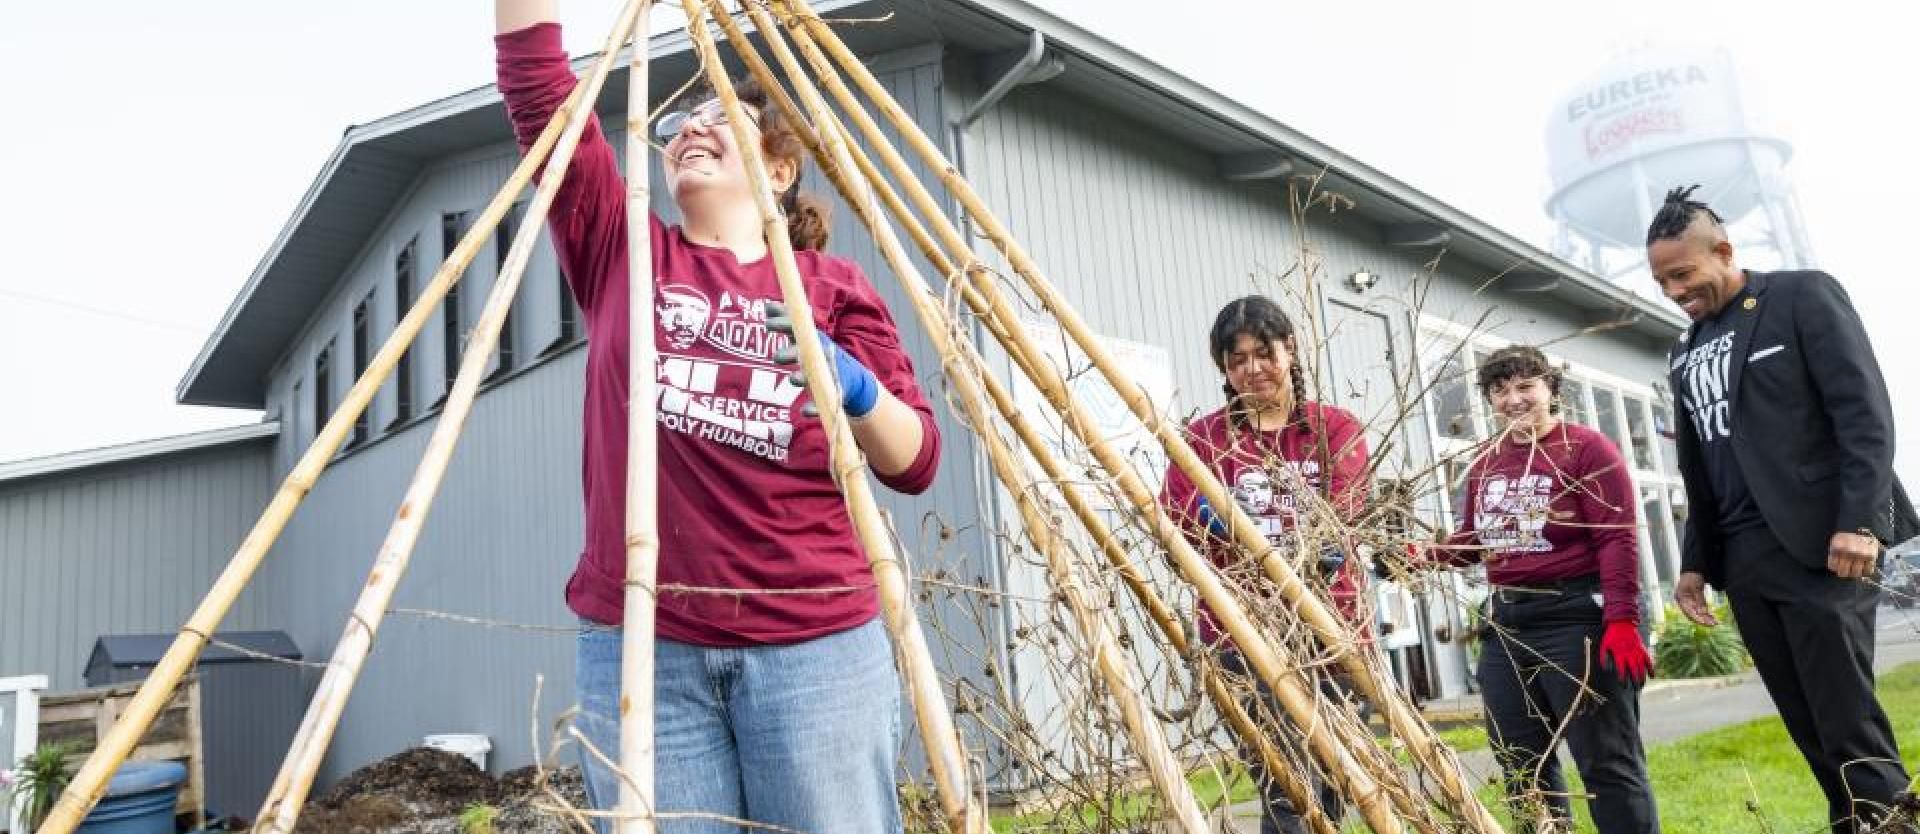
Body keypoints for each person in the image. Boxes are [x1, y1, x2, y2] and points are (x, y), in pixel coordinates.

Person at [494, 3, 943, 832]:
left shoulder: (831, 288)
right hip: (645, 645)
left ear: (781, 170)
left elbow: (914, 459)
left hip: (815, 648)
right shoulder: (624, 250)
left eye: (720, 118)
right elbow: (536, 85)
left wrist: (853, 387)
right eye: (681, 122)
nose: (691, 129)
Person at [1651, 185, 1920, 833]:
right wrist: (1694, 565)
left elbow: (1864, 414)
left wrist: (1861, 521)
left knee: (1847, 723)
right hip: (1746, 564)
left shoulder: (1802, 297)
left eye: (1682, 275)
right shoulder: (1684, 353)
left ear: (1723, 250)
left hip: (1822, 546)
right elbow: (1699, 470)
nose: (1674, 292)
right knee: (1811, 734)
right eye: (1662, 282)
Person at [1159, 295, 1372, 834]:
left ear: (1290, 350)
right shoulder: (1205, 439)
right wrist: (1213, 516)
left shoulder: (1332, 429)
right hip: (1241, 630)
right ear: (1223, 370)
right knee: (1284, 783)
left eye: (1263, 353)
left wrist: (1292, 550)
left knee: (1334, 777)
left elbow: (1344, 512)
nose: (1252, 369)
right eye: (1236, 361)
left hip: (1330, 627)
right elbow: (1178, 519)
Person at [1433, 345, 1659, 834]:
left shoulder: (1587, 449)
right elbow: (1474, 542)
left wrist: (1621, 621)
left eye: (1524, 386)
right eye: (1499, 390)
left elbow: (1617, 540)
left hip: (1574, 618)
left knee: (1607, 765)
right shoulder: (1487, 462)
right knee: (1522, 768)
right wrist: (1419, 556)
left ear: (1551, 389)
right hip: (1506, 626)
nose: (1513, 399)